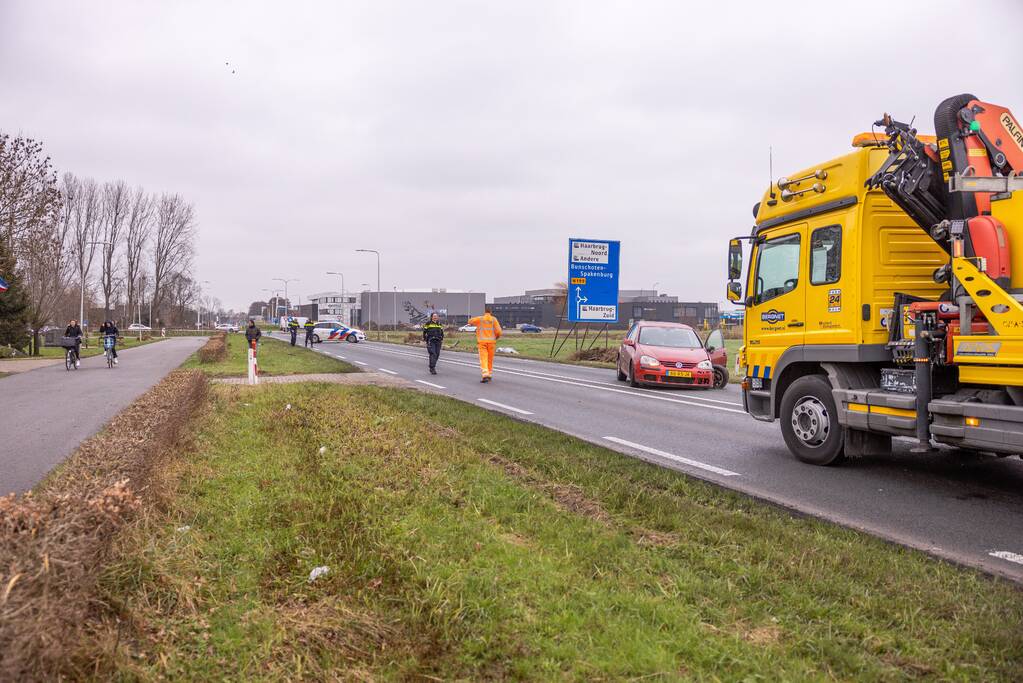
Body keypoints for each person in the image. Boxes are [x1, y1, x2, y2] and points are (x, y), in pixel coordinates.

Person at [468, 307, 502, 383]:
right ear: (491, 312)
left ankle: (485, 375)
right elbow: (499, 332)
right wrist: (496, 338)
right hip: (492, 343)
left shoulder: (480, 319)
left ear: (484, 312)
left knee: (484, 358)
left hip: (482, 342)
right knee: (490, 359)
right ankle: (489, 374)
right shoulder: (494, 319)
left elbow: (470, 321)